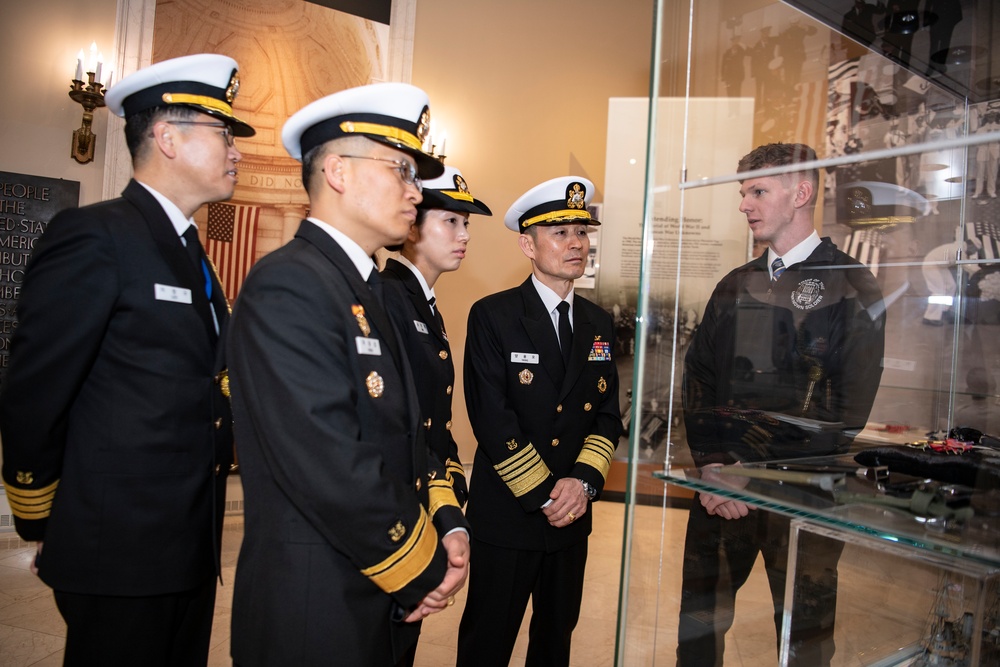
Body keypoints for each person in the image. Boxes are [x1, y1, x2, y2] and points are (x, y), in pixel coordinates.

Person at [0, 54, 253, 666]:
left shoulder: (192, 254)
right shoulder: (97, 236)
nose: (237, 152)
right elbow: (37, 391)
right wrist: (43, 519)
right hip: (116, 549)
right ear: (166, 137)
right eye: (223, 134)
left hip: (185, 547)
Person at [226, 82, 470, 667]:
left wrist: (445, 521)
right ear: (336, 171)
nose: (416, 192)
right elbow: (326, 456)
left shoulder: (370, 292)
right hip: (313, 600)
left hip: (368, 585)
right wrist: (420, 562)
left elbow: (406, 438)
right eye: (402, 171)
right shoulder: (289, 282)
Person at [676, 143, 886, 667]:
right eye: (743, 192)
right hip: (719, 489)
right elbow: (699, 377)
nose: (744, 204)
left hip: (801, 495)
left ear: (801, 193)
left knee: (804, 641)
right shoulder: (734, 284)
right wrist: (714, 464)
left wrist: (754, 471)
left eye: (758, 191)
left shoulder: (851, 284)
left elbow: (845, 407)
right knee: (698, 631)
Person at [456, 176, 623, 667]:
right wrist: (547, 493)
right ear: (528, 245)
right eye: (560, 233)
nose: (576, 243)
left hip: (571, 517)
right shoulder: (493, 315)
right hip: (511, 514)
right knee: (488, 642)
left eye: (581, 232)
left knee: (555, 644)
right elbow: (492, 418)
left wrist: (583, 483)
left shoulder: (598, 321)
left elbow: (608, 413)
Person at [382, 165, 493, 510]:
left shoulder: (423, 303)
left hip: (428, 484)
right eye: (451, 222)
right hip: (401, 491)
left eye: (466, 224)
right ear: (412, 228)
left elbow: (435, 414)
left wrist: (452, 472)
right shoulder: (388, 297)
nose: (465, 236)